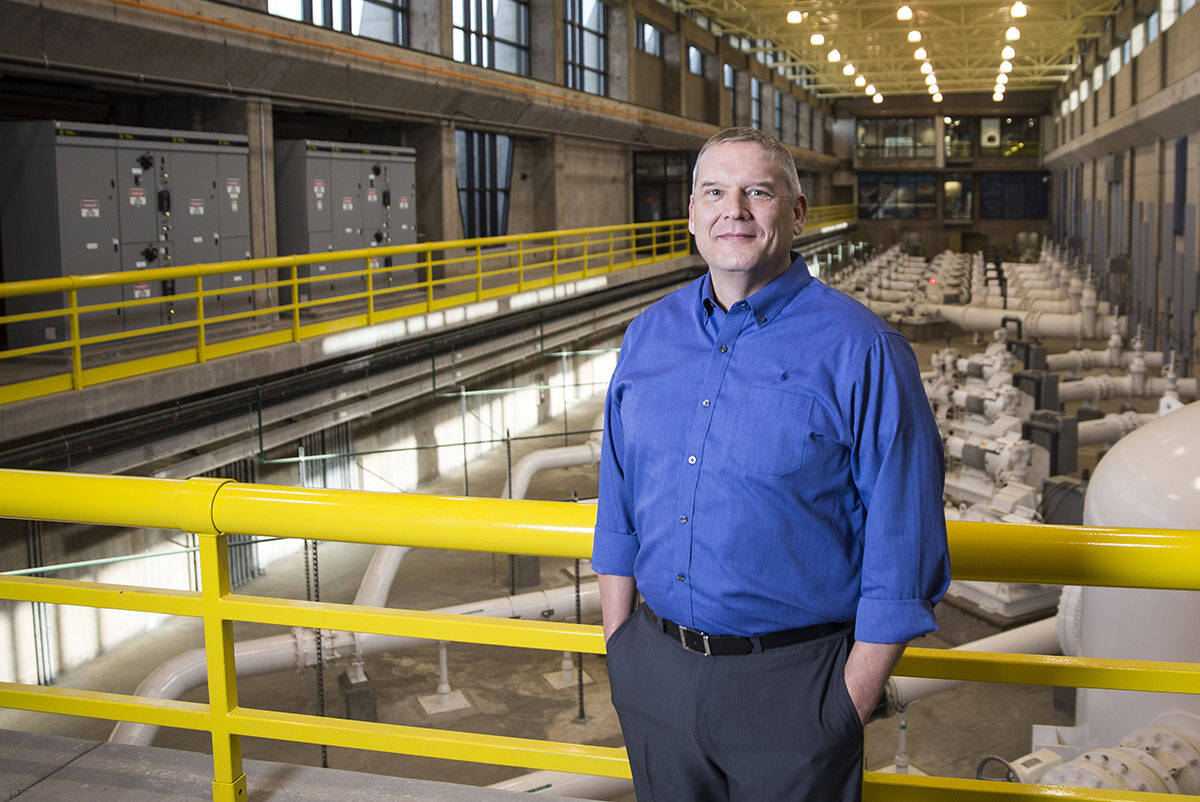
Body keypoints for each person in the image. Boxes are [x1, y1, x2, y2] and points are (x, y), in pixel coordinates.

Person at [591, 127, 950, 801]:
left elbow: (907, 547)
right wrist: (621, 650)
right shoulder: (647, 336)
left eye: (758, 191)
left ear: (798, 212)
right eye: (715, 192)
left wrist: (844, 703)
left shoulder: (864, 351)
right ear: (692, 214)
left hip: (796, 689)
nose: (736, 209)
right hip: (655, 676)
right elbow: (618, 505)